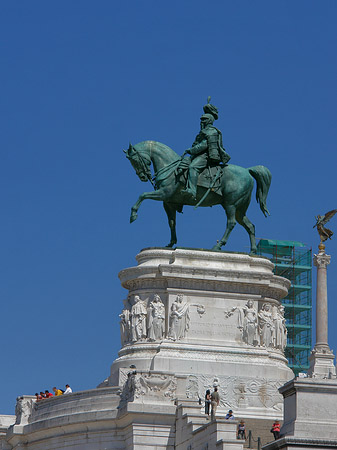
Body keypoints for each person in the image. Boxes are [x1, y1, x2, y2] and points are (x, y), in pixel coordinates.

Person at [181, 98, 230, 199]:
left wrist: (190, 150)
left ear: (209, 121)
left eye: (203, 120)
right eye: (201, 120)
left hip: (205, 156)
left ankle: (192, 191)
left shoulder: (211, 131)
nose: (201, 122)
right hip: (198, 155)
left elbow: (204, 145)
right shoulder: (203, 132)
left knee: (192, 167)